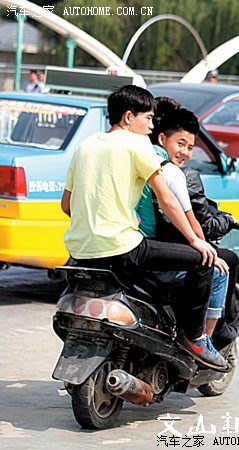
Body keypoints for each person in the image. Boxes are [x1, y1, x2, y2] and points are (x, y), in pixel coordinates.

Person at [61, 84, 226, 369]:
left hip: (79, 251)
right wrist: (196, 241)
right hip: (123, 249)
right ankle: (195, 338)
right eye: (148, 118)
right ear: (128, 117)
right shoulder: (137, 145)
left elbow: (67, 205)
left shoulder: (85, 146)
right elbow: (168, 199)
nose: (151, 126)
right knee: (203, 262)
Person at [136, 105, 229, 352]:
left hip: (118, 247)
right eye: (181, 144)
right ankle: (201, 343)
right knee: (216, 269)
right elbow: (190, 220)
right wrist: (203, 245)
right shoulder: (169, 171)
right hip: (144, 250)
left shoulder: (128, 155)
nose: (185, 152)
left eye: (190, 147)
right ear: (162, 138)